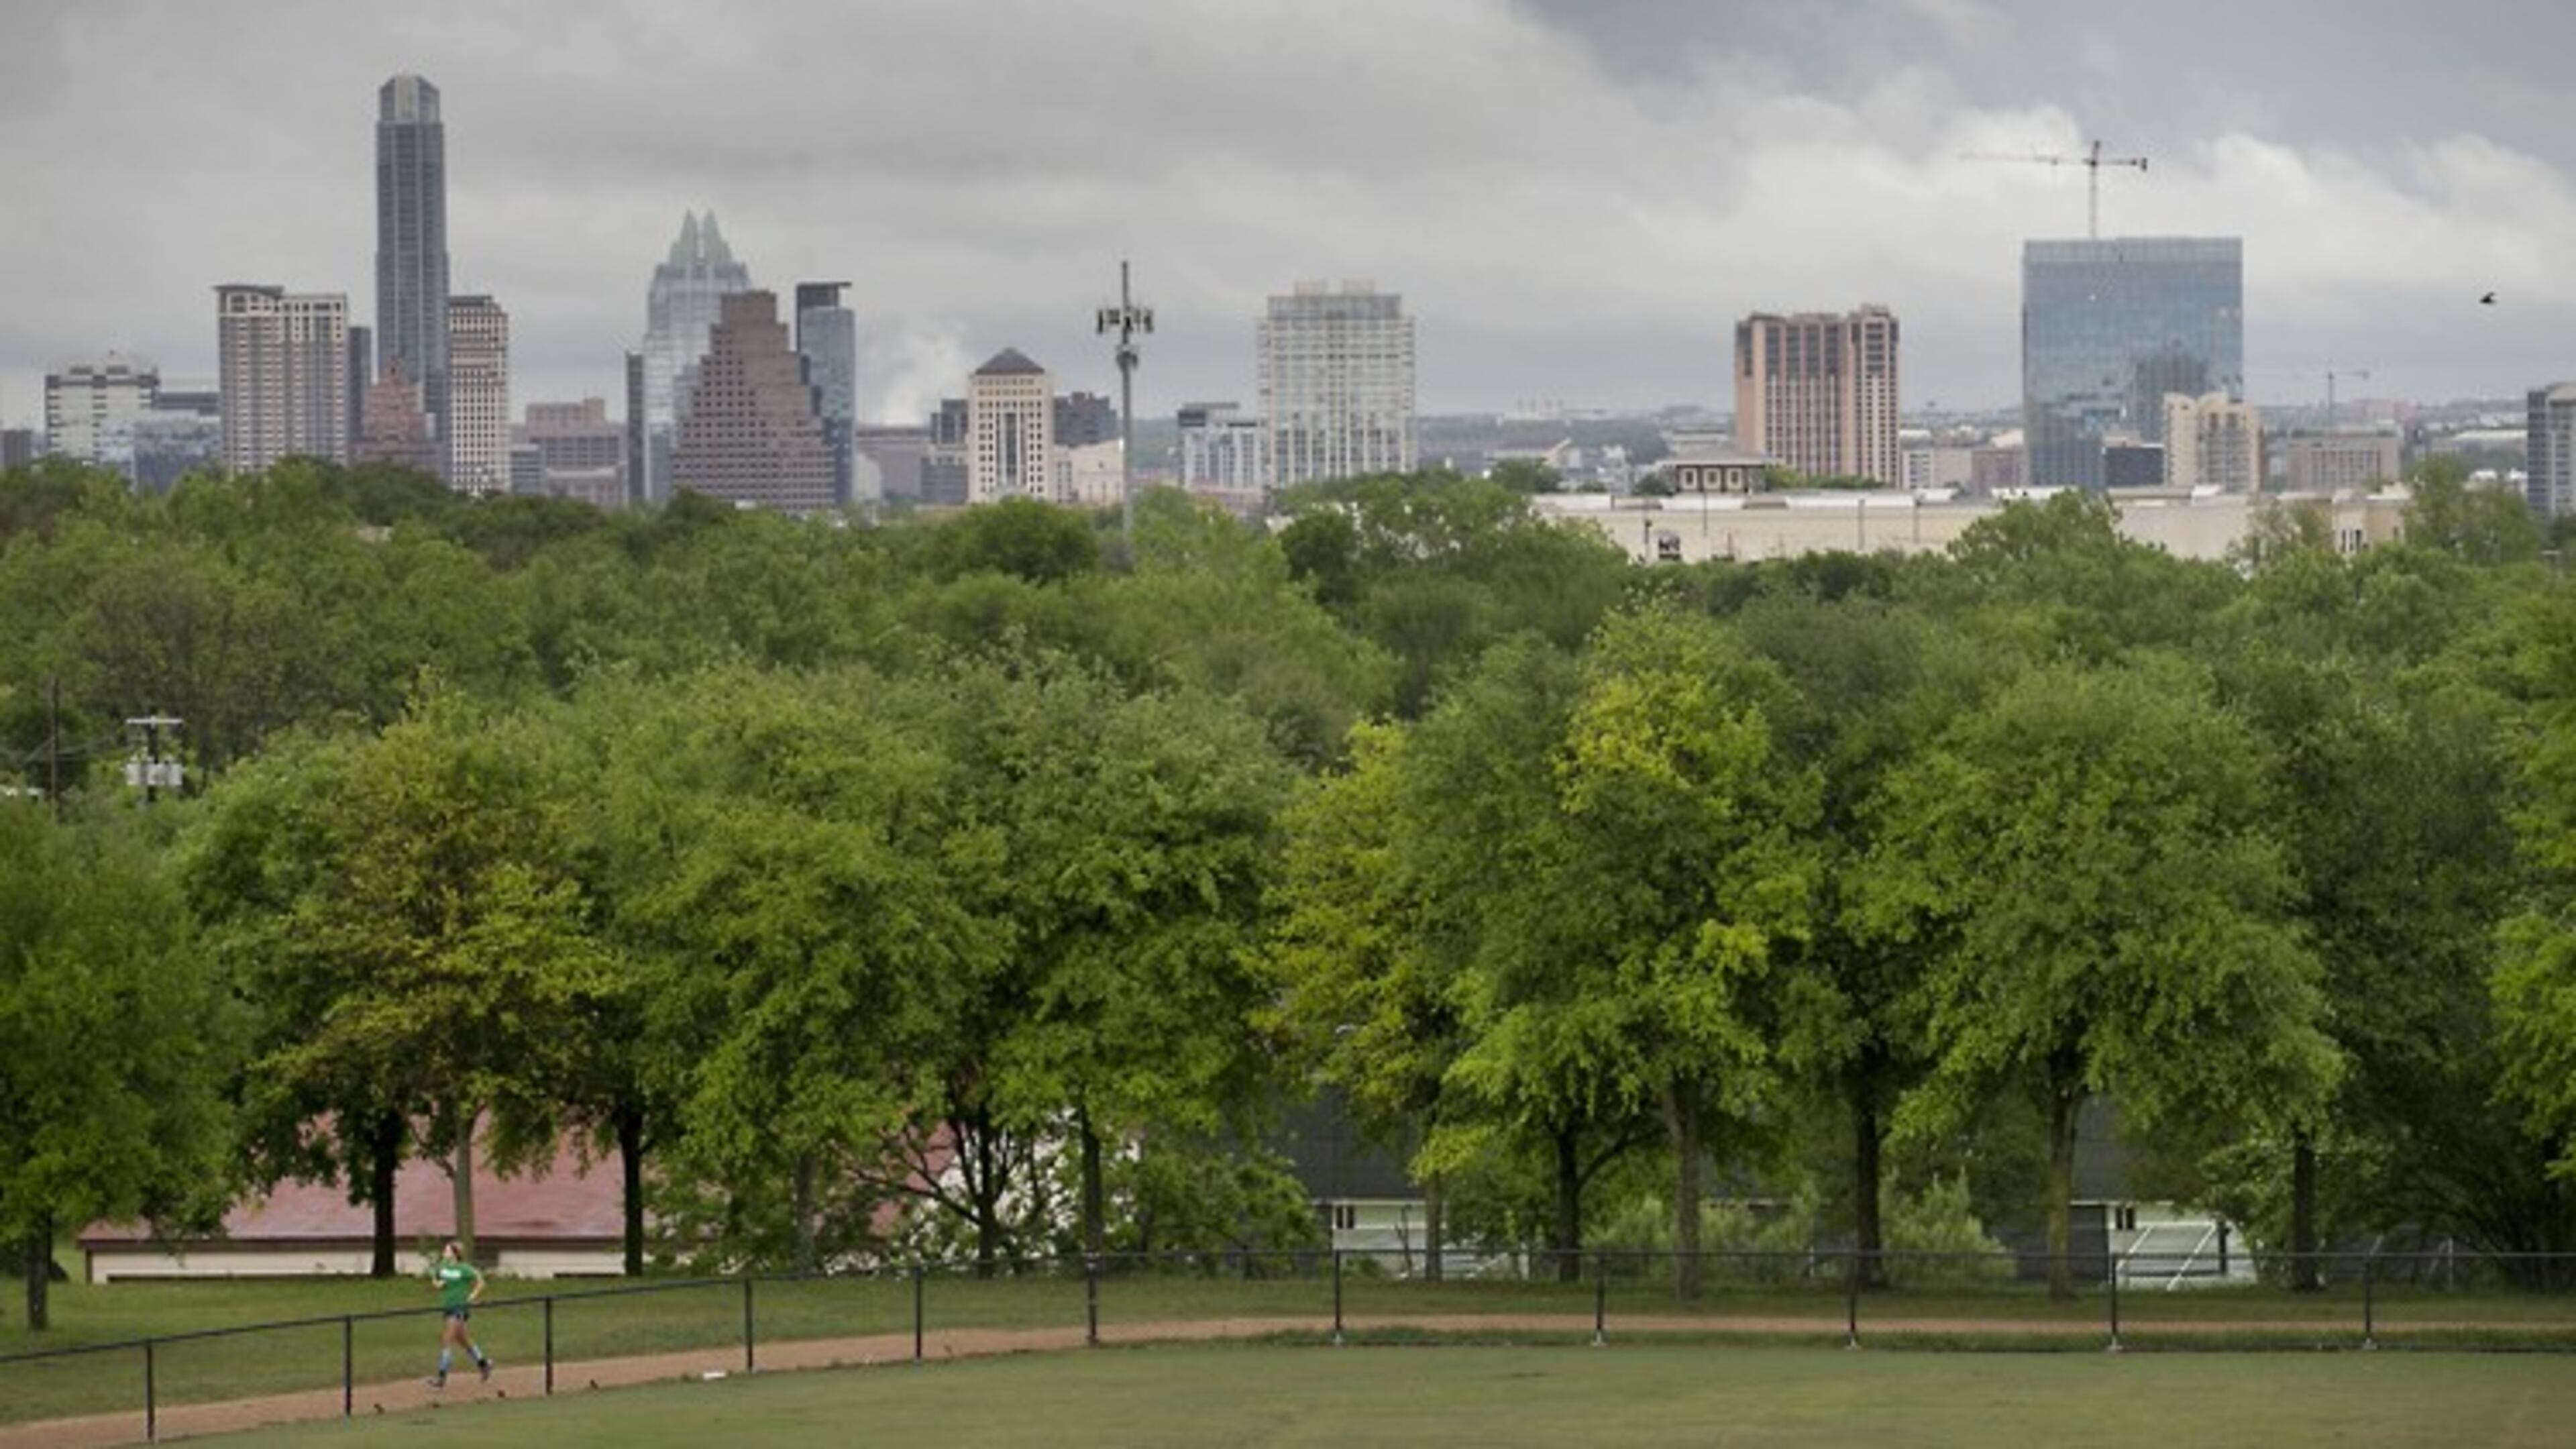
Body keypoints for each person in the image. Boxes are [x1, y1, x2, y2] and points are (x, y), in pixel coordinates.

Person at [426, 1240, 495, 1388]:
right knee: (463, 1340)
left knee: (447, 1339)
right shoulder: (442, 1266)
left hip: (459, 1308)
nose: (444, 1253)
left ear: (455, 1254)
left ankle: (441, 1376)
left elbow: (480, 1281)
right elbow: (435, 1280)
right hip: (447, 1307)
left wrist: (472, 1296)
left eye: (447, 1251)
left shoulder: (464, 1269)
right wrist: (437, 1284)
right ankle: (484, 1364)